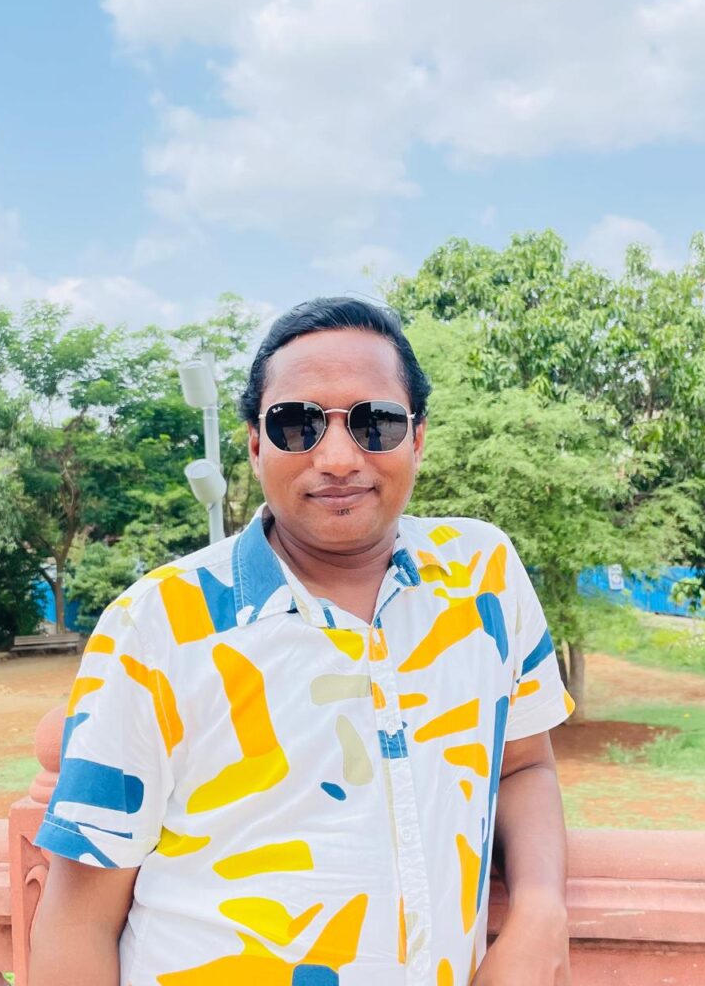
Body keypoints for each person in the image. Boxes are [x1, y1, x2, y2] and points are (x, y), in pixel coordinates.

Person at [29, 297, 575, 986]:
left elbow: (523, 765)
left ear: (419, 438)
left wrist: (538, 909)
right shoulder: (158, 625)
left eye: (375, 423)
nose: (340, 457)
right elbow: (79, 917)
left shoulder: (483, 577)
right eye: (297, 424)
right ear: (255, 444)